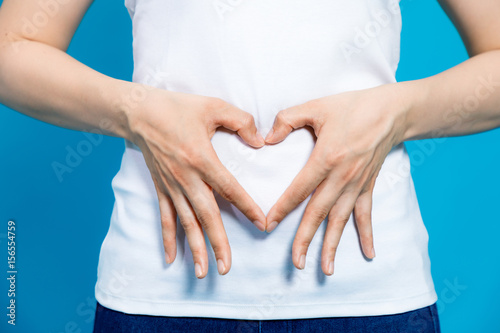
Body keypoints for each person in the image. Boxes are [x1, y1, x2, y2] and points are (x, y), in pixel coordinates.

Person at [0, 0, 499, 332]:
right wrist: (136, 112)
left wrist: (399, 111)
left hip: (369, 297)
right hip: (162, 295)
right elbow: (11, 48)